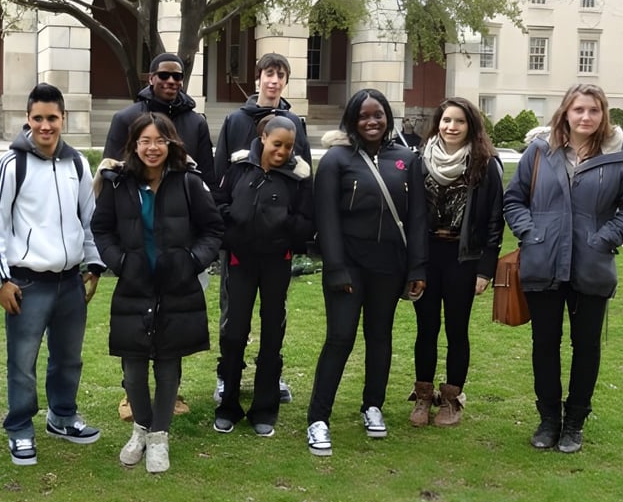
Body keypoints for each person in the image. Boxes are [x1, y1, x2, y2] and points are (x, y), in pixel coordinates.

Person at [503, 83, 623, 453]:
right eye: (579, 109)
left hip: (591, 264)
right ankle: (549, 419)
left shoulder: (622, 158)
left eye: (594, 110)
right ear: (566, 112)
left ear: (604, 115)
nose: (586, 117)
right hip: (544, 261)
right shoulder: (540, 151)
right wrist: (531, 231)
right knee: (545, 345)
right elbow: (514, 199)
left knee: (586, 347)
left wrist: (604, 237)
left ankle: (575, 423)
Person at [0, 83, 106, 466]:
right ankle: (20, 428)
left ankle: (62, 417)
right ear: (28, 119)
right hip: (27, 282)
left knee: (68, 358)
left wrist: (94, 264)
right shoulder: (11, 164)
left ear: (63, 118)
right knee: (22, 361)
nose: (45, 126)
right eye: (38, 118)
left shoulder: (77, 164)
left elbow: (89, 218)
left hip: (69, 281)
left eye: (52, 118)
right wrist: (0, 279)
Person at [91, 113, 224, 472]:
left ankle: (159, 436)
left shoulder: (188, 183)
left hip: (177, 286)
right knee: (133, 368)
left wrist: (192, 260)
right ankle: (141, 428)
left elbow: (213, 229)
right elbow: (100, 229)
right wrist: (119, 261)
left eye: (160, 141)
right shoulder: (118, 184)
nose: (153, 148)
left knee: (168, 366)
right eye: (145, 141)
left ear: (171, 144)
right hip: (134, 286)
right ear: (134, 145)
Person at [306, 88, 427, 456]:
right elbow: (325, 219)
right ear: (352, 120)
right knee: (340, 338)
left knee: (380, 337)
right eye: (364, 116)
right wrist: (336, 268)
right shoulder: (336, 161)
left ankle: (372, 406)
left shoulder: (406, 159)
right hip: (348, 266)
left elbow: (417, 218)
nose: (372, 122)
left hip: (389, 266)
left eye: (378, 115)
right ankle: (318, 419)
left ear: (388, 118)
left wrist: (417, 267)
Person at [211, 52, 311, 405]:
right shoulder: (236, 120)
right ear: (258, 78)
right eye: (269, 73)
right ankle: (228, 376)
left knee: (274, 313)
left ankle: (272, 374)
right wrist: (228, 227)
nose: (274, 80)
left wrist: (292, 226)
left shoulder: (294, 122)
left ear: (285, 81)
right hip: (240, 239)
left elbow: (304, 175)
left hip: (276, 242)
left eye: (280, 75)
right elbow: (221, 174)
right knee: (233, 311)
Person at [409, 97, 503, 428]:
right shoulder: (420, 160)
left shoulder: (485, 164)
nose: (451, 127)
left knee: (456, 330)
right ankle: (422, 396)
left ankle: (451, 398)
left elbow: (494, 220)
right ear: (438, 124)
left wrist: (486, 269)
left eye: (459, 122)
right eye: (446, 120)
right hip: (427, 255)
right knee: (426, 328)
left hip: (464, 258)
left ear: (471, 126)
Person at [103, 52, 215, 188]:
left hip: (183, 203)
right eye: (163, 75)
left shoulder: (197, 123)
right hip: (138, 201)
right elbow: (111, 171)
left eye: (177, 76)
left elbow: (207, 176)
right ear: (151, 79)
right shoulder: (125, 119)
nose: (171, 81)